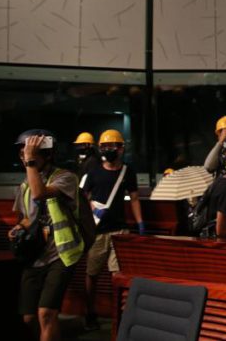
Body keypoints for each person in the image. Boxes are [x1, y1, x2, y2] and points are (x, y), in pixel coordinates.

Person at [11, 130, 84, 341]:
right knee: (28, 318)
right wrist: (19, 228)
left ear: (49, 155)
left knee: (46, 313)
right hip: (35, 256)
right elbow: (27, 217)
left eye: (31, 153)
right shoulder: (24, 185)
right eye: (22, 153)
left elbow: (40, 193)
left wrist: (30, 163)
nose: (25, 157)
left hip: (60, 255)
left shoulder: (66, 177)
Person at [83, 129, 143, 330]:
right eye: (105, 147)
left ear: (121, 148)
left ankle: (119, 314)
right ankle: (90, 312)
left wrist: (139, 222)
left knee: (117, 275)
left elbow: (134, 198)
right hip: (97, 231)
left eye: (113, 146)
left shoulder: (128, 171)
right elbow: (83, 197)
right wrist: (90, 208)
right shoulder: (93, 172)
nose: (109, 150)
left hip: (120, 230)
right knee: (92, 273)